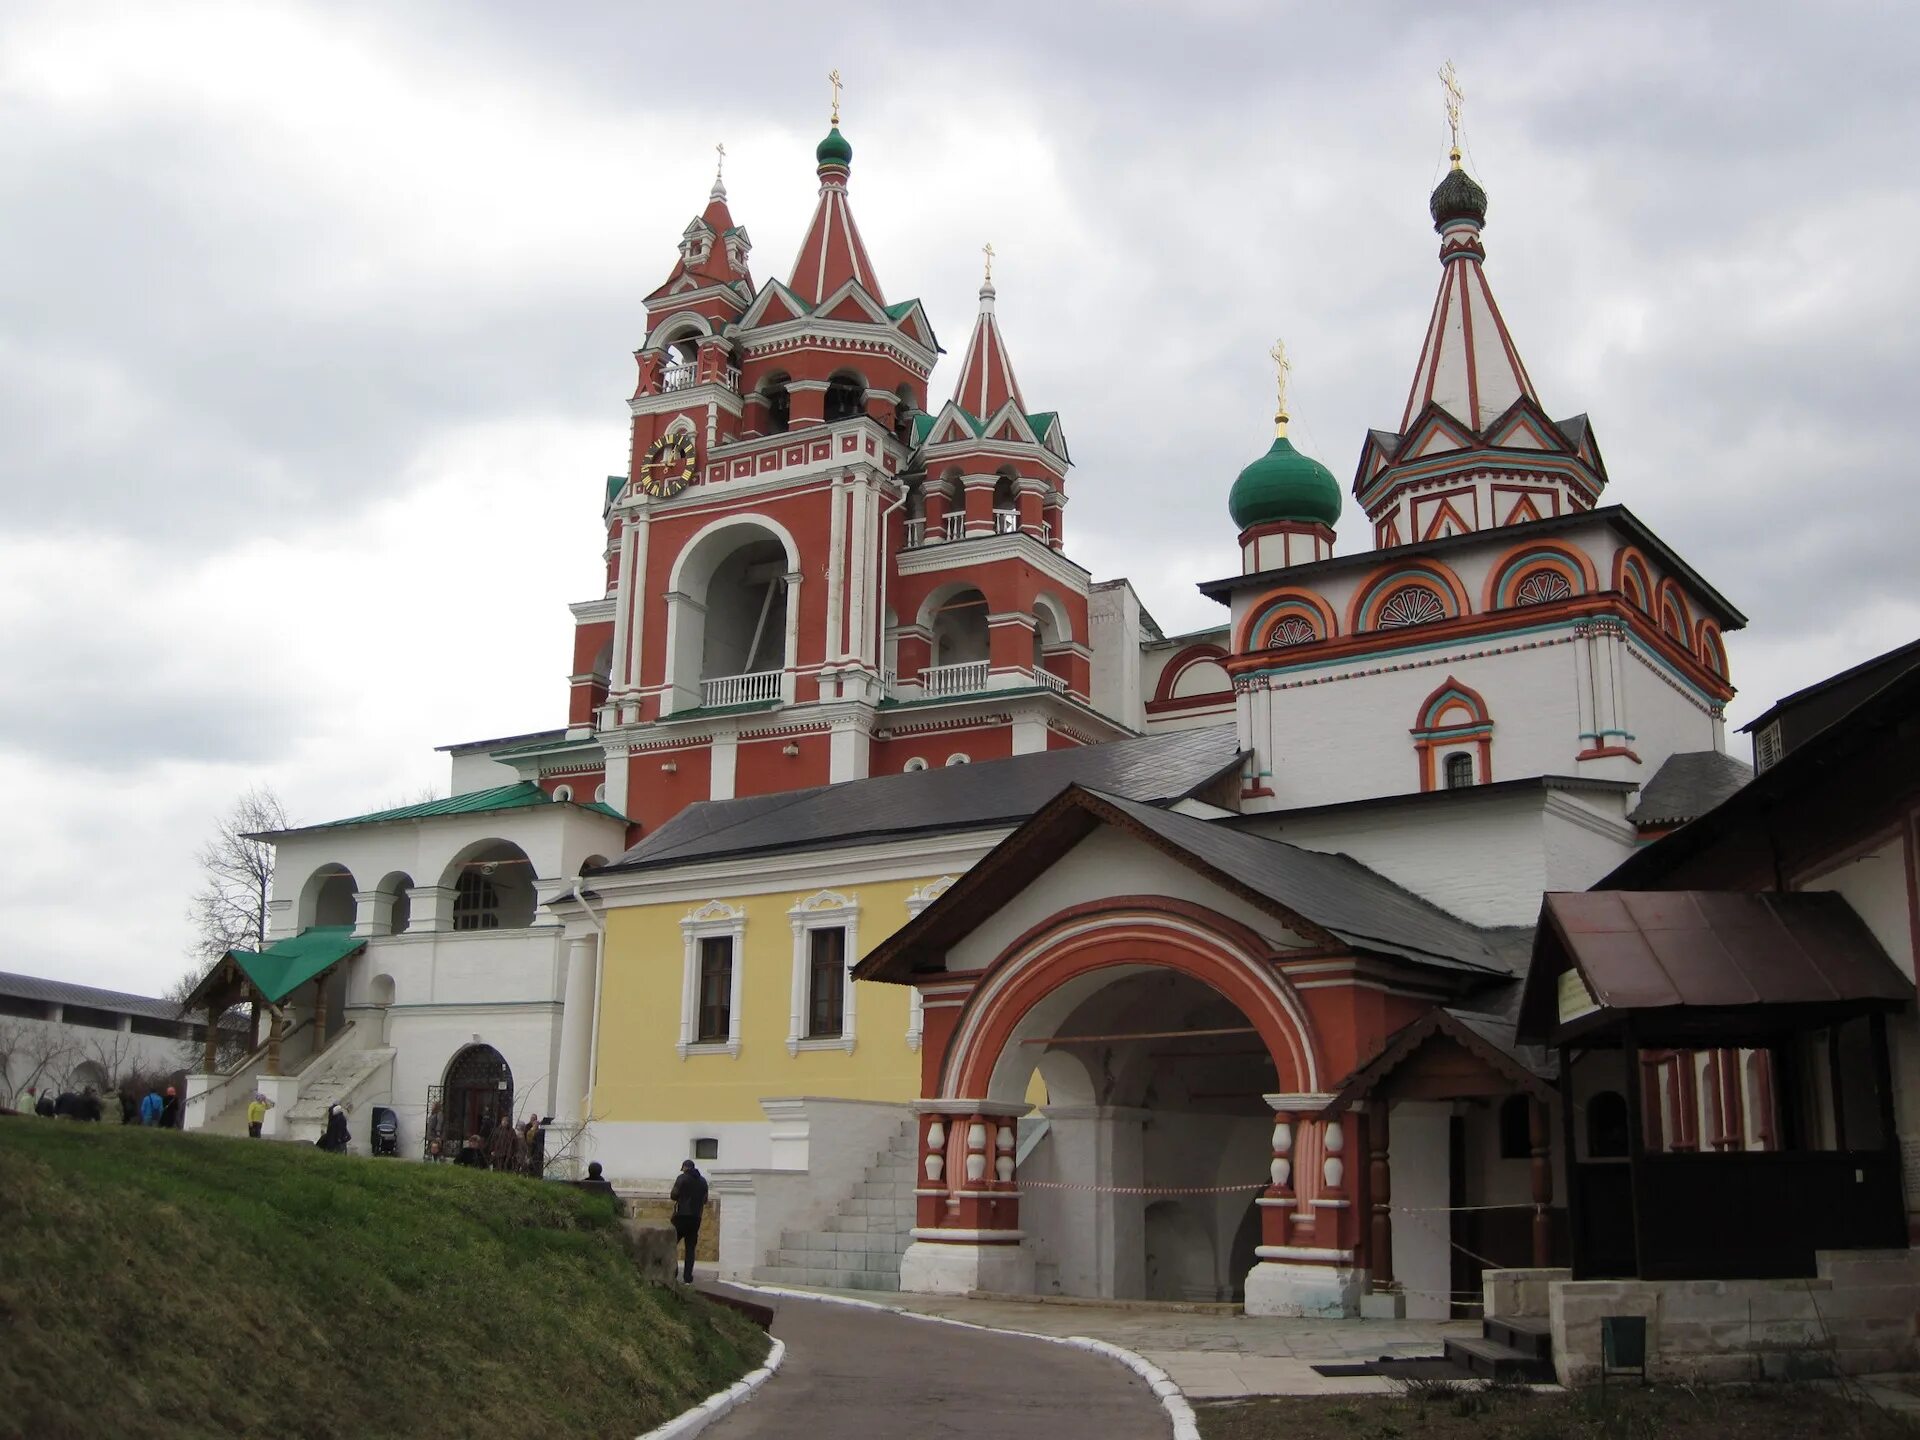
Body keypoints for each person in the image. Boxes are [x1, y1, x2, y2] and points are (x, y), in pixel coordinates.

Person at [669, 1159, 708, 1284]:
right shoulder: (703, 1181)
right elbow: (705, 1200)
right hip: (696, 1217)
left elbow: (673, 1195)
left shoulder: (682, 1178)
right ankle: (687, 1278)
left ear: (685, 1168)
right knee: (690, 1249)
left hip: (681, 1216)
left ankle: (673, 1273)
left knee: (671, 1244)